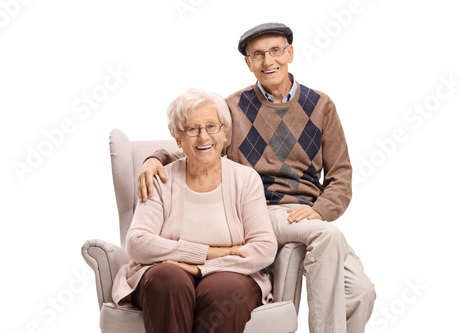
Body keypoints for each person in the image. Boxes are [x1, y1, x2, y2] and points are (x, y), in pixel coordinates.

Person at [137, 23, 376, 332]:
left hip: (306, 214)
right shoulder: (233, 108)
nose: (268, 61)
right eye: (258, 55)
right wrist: (156, 158)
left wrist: (320, 210)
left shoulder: (321, 106)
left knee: (361, 293)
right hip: (258, 208)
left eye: (276, 51)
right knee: (326, 235)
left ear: (290, 53)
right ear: (248, 63)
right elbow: (201, 147)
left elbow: (341, 172)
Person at [112, 88, 277, 333]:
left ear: (225, 134)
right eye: (192, 129)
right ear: (177, 139)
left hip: (231, 275)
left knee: (223, 291)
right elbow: (137, 243)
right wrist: (207, 252)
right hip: (167, 274)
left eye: (212, 126)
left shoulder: (245, 179)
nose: (203, 137)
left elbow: (263, 247)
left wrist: (201, 268)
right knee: (169, 278)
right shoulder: (160, 179)